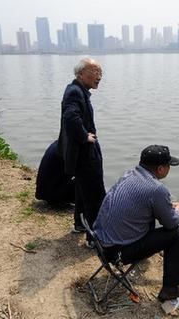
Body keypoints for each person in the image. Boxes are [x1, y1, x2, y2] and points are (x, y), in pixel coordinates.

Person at [93, 145, 179, 302]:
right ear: (160, 169)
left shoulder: (129, 174)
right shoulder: (157, 189)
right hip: (117, 253)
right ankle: (170, 289)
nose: (169, 168)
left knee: (154, 215)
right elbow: (170, 223)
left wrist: (168, 206)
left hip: (100, 241)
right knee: (177, 234)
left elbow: (144, 203)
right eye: (168, 165)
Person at [57, 57, 105, 239]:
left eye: (100, 73)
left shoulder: (78, 90)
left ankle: (80, 224)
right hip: (84, 153)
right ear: (80, 74)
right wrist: (85, 136)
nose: (99, 76)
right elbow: (70, 118)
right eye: (94, 72)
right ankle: (95, 238)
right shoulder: (75, 92)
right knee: (95, 193)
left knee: (83, 189)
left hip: (81, 152)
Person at [35, 140, 80, 222]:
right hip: (53, 194)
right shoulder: (69, 150)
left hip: (43, 192)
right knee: (86, 177)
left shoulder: (59, 144)